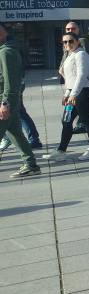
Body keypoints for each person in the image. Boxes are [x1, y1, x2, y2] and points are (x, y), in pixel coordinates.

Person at [42, 32, 89, 162]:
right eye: (65, 42)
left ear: (77, 41)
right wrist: (67, 94)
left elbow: (81, 75)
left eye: (71, 41)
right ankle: (61, 150)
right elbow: (70, 78)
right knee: (66, 120)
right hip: (74, 92)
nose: (68, 44)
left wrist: (73, 94)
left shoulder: (81, 54)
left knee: (87, 121)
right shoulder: (70, 55)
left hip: (83, 92)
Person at [0, 23, 41, 178]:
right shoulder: (6, 50)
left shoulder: (6, 52)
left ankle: (31, 164)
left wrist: (5, 103)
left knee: (15, 133)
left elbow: (11, 82)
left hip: (5, 101)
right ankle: (31, 165)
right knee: (15, 133)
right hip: (9, 101)